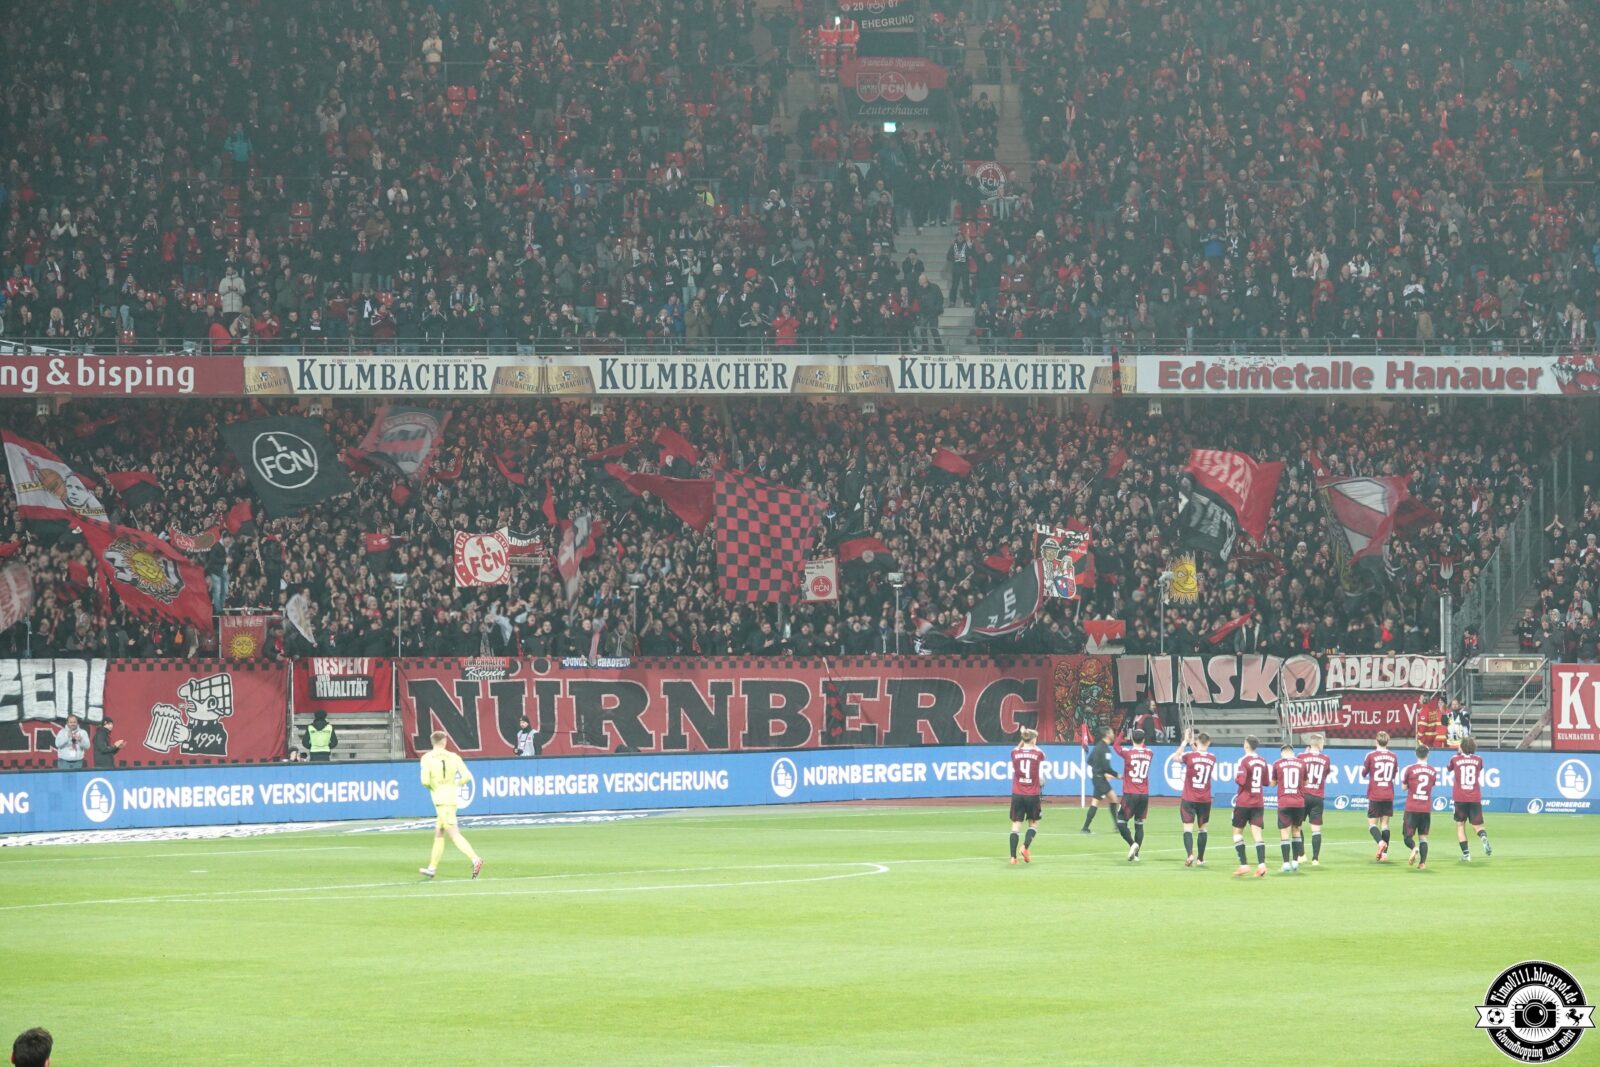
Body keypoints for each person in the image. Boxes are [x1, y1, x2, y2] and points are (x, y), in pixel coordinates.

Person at [418, 730, 483, 880]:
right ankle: (432, 868)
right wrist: (454, 784)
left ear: (432, 742)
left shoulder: (426, 758)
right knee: (439, 833)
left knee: (453, 833)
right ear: (444, 742)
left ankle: (476, 859)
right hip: (451, 797)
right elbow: (466, 777)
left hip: (441, 800)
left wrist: (434, 788)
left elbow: (424, 781)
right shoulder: (454, 757)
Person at [1175, 729, 1216, 867]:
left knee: (1187, 828)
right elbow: (1200, 754)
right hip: (1204, 799)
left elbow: (1176, 757)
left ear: (1197, 742)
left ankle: (1189, 854)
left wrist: (1185, 741)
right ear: (1209, 742)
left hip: (1189, 798)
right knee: (1203, 829)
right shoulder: (1212, 758)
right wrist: (1194, 744)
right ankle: (1200, 858)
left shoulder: (1189, 757)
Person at [1448, 736, 1492, 861]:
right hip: (1474, 797)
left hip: (1460, 797)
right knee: (1478, 825)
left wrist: (1459, 753)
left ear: (1461, 747)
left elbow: (1449, 768)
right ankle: (1483, 836)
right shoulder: (1479, 759)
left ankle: (1466, 855)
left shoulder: (1455, 759)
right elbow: (1479, 768)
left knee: (1460, 825)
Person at [1113, 727, 1154, 862]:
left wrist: (1121, 734)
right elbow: (1143, 747)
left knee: (1120, 821)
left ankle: (1132, 844)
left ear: (1132, 739)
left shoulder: (1128, 753)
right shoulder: (1149, 753)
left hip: (1130, 793)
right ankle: (1136, 855)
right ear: (1144, 740)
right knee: (1139, 824)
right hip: (1144, 795)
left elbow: (1116, 746)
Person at [1231, 735, 1269, 878]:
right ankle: (1261, 865)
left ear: (1246, 745)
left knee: (1237, 832)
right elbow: (1265, 781)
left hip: (1244, 801)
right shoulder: (1263, 761)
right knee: (1257, 833)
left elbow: (1240, 780)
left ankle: (1244, 865)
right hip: (1258, 802)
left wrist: (1236, 777)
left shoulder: (1243, 760)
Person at [1008, 727, 1044, 864]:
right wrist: (1030, 737)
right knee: (1034, 824)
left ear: (1023, 740)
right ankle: (1025, 847)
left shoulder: (1014, 753)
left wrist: (1023, 737)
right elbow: (1039, 751)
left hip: (1017, 794)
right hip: (1032, 794)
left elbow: (1017, 749)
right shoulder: (1038, 753)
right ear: (1034, 740)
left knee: (1016, 825)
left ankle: (1012, 857)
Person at [1400, 745, 1438, 870]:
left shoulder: (1410, 769)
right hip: (1425, 808)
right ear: (1427, 755)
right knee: (1423, 837)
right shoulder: (1432, 771)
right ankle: (1422, 863)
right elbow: (1432, 785)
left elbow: (1404, 787)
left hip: (1412, 807)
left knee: (1407, 837)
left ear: (1416, 754)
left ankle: (1413, 848)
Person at [1363, 731, 1400, 861]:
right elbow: (1394, 774)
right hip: (1388, 793)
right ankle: (1384, 854)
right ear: (1388, 741)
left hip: (1375, 793)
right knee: (1385, 825)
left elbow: (1363, 773)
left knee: (1372, 825)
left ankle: (1380, 843)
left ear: (1376, 741)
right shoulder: (1393, 756)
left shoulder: (1371, 755)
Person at [1081, 726, 1123, 839]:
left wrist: (1097, 769)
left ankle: (1085, 827)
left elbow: (1089, 761)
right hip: (1100, 779)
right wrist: (1117, 775)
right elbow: (1106, 767)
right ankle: (1117, 825)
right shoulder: (1105, 749)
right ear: (1107, 734)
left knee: (1096, 802)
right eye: (1112, 732)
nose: (1113, 734)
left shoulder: (1098, 746)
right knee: (1114, 799)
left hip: (1098, 778)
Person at [1272, 743, 1306, 873]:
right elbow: (1305, 781)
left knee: (1284, 832)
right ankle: (1295, 861)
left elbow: (1273, 782)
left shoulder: (1277, 763)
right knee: (1296, 831)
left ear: (1282, 753)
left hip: (1284, 801)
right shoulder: (1302, 763)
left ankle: (1286, 863)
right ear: (1293, 752)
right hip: (1299, 802)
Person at [1299, 734, 1332, 866]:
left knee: (1297, 826)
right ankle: (1315, 859)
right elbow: (1326, 774)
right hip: (1318, 796)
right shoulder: (1326, 759)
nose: (1323, 745)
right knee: (1316, 830)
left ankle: (1301, 855)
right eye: (1322, 742)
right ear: (1318, 744)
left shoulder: (1301, 757)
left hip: (1303, 796)